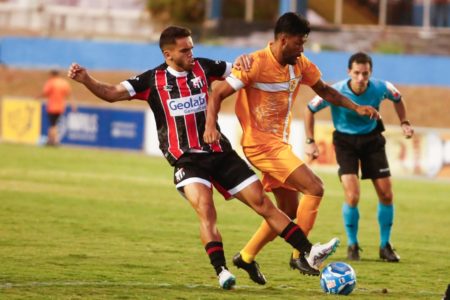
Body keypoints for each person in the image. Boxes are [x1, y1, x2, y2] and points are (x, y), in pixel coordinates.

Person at [68, 25, 340, 290]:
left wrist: (244, 60)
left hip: (220, 152)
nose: (191, 54)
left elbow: (241, 69)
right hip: (187, 161)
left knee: (263, 204)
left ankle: (308, 251)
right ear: (168, 55)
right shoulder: (151, 81)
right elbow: (112, 93)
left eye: (192, 48)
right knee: (206, 209)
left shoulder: (204, 67)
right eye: (185, 50)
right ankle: (222, 270)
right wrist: (87, 80)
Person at [203, 12, 379, 284]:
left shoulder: (300, 64)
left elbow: (325, 91)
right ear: (283, 40)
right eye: (299, 43)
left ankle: (246, 257)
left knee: (288, 212)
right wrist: (210, 126)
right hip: (260, 144)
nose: (302, 49)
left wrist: (356, 107)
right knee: (315, 187)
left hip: (279, 143)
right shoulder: (254, 64)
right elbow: (217, 92)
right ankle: (302, 254)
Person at [304, 52, 414, 262]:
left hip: (372, 141)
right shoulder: (335, 91)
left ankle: (385, 245)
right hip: (345, 143)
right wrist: (310, 141)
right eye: (357, 73)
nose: (361, 78)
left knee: (386, 195)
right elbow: (309, 109)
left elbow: (398, 98)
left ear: (370, 72)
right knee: (353, 196)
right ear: (349, 72)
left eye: (365, 73)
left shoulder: (381, 88)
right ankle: (353, 244)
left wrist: (404, 122)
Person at [38, 69, 75, 146]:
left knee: (52, 125)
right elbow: (69, 95)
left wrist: (37, 97)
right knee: (53, 124)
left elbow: (45, 93)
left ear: (52, 75)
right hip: (61, 107)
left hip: (52, 107)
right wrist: (73, 105)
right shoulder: (64, 83)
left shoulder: (51, 82)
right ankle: (50, 141)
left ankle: (54, 141)